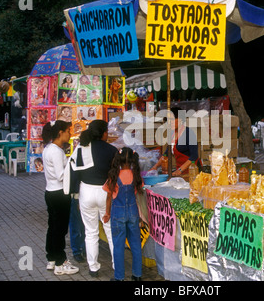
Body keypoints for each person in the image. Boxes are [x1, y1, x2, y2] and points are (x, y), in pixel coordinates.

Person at [68, 120, 117, 277]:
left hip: (86, 192)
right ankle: (118, 266)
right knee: (110, 231)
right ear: (103, 133)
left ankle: (93, 268)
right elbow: (116, 175)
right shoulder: (112, 150)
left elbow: (73, 172)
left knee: (91, 232)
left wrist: (75, 196)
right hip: (105, 192)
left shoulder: (81, 148)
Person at [41, 120, 79, 276]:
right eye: (68, 131)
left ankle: (51, 257)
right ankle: (60, 262)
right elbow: (61, 175)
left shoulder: (48, 148)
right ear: (60, 133)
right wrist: (74, 169)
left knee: (53, 227)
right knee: (60, 229)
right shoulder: (56, 151)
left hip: (50, 192)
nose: (70, 134)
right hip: (59, 194)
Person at [103, 147, 147, 281]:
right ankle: (137, 275)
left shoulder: (114, 176)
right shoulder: (136, 176)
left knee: (118, 246)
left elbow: (109, 197)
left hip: (118, 214)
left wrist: (107, 213)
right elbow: (138, 193)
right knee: (135, 245)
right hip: (133, 213)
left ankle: (119, 277)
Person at [150, 107, 201, 176]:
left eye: (172, 119)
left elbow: (194, 156)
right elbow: (166, 154)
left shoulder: (189, 133)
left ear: (180, 119)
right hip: (180, 172)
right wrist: (155, 167)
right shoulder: (172, 134)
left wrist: (180, 170)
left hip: (192, 171)